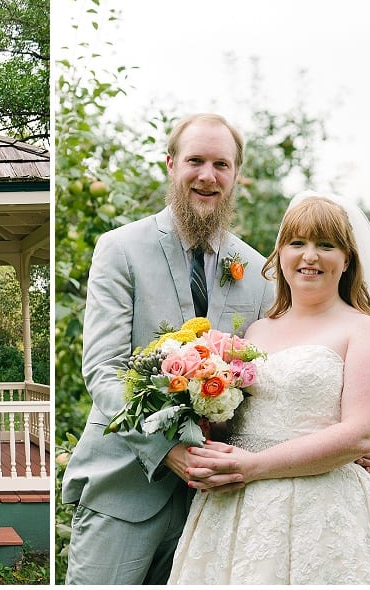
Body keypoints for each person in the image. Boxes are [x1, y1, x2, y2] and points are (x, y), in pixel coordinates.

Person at [61, 113, 277, 584]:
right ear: (170, 164)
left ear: (236, 175)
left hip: (215, 503)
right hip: (125, 484)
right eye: (195, 160)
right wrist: (170, 448)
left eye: (221, 164)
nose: (207, 175)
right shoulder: (119, 249)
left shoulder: (258, 271)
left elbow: (275, 373)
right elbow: (104, 369)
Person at [167, 194, 370, 584]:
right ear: (280, 253)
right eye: (297, 243)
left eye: (326, 245)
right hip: (235, 510)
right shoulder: (256, 331)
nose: (310, 256)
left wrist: (251, 467)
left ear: (347, 259)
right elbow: (237, 420)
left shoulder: (365, 331)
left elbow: (364, 433)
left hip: (323, 509)